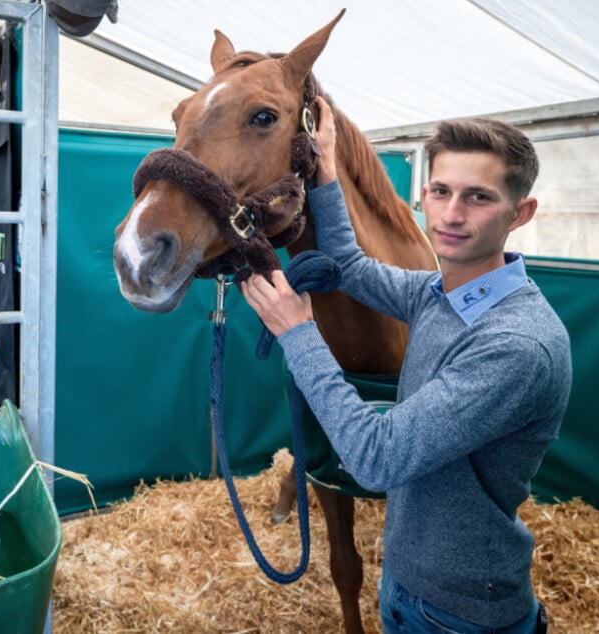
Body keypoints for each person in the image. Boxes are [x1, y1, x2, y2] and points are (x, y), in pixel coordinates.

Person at [241, 96, 570, 633]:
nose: (453, 213)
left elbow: (377, 459)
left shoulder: (515, 344)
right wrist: (326, 169)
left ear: (521, 212)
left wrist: (299, 334)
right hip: (406, 588)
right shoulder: (441, 294)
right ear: (424, 198)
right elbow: (348, 265)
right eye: (442, 191)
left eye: (479, 197)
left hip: (461, 615)